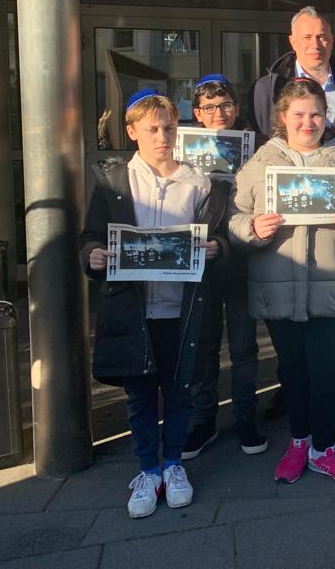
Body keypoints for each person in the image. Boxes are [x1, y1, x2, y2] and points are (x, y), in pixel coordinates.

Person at [230, 78, 335, 486]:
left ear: (326, 116)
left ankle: (325, 448)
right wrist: (251, 227)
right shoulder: (261, 163)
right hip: (278, 288)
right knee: (294, 372)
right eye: (298, 114)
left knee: (332, 372)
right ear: (283, 118)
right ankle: (300, 441)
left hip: (333, 287)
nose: (308, 122)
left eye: (316, 113)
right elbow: (233, 217)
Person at [79, 89, 222, 518]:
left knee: (179, 392)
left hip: (181, 310)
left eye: (169, 128)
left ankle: (173, 463)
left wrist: (216, 248)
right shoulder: (112, 180)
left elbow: (218, 240)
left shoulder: (199, 183)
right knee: (140, 396)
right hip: (132, 310)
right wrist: (92, 255)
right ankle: (147, 469)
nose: (163, 137)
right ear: (132, 131)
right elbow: (89, 235)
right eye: (153, 129)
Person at [249, 6, 335, 413]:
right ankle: (295, 395)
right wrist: (252, 223)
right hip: (285, 235)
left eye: (322, 36)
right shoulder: (269, 85)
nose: (315, 44)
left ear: (332, 40)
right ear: (292, 42)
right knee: (292, 339)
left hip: (334, 220)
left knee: (332, 322)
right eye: (306, 37)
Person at [181, 74, 267, 461]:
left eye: (226, 105)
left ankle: (246, 417)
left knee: (245, 346)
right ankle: (204, 420)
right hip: (199, 260)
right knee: (202, 345)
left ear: (237, 107)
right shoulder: (181, 152)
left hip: (241, 258)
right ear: (197, 113)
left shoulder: (257, 149)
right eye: (210, 108)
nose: (219, 114)